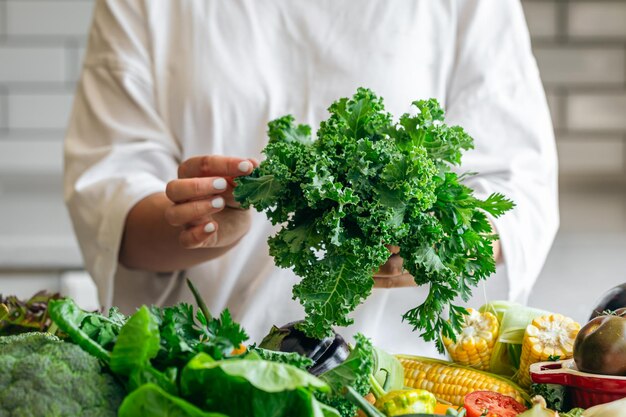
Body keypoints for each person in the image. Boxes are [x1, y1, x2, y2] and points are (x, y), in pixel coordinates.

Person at [64, 0, 558, 356]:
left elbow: (519, 186)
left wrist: (436, 242)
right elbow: (110, 200)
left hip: (410, 382)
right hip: (210, 369)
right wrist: (201, 225)